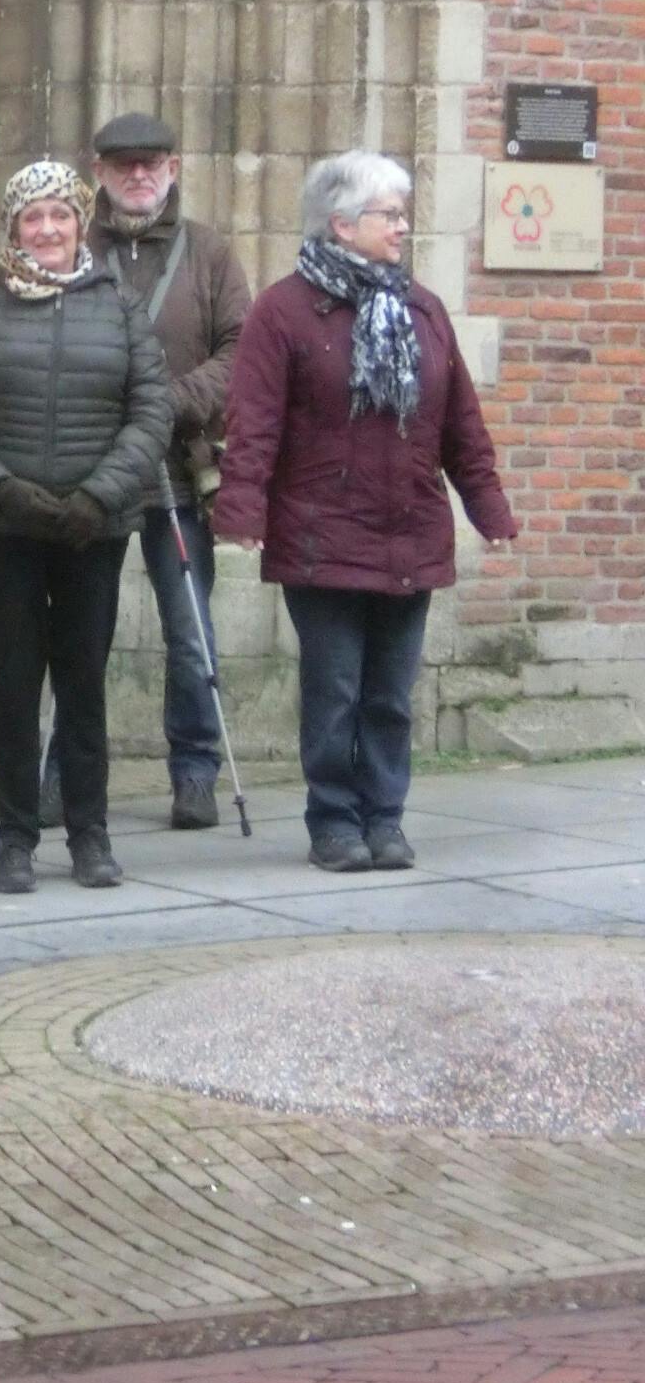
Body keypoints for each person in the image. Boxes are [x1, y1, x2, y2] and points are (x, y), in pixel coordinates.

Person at [214, 152, 517, 873]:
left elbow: (461, 425)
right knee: (335, 691)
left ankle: (386, 819)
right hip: (321, 532)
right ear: (341, 224)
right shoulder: (283, 311)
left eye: (402, 214)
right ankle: (334, 823)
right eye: (390, 214)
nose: (403, 228)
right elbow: (253, 420)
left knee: (389, 695)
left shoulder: (423, 309)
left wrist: (490, 508)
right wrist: (242, 510)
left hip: (410, 530)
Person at [0, 161, 172, 894]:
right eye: (32, 218)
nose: (47, 230)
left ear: (80, 221)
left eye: (60, 215)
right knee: (13, 682)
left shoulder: (121, 306)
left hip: (94, 528)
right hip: (4, 526)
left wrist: (99, 497)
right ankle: (14, 837)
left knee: (83, 681)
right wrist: (3, 489)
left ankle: (91, 834)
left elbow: (150, 409)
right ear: (13, 228)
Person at [39, 113, 253, 832]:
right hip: (93, 469)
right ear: (97, 172)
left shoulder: (211, 254)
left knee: (190, 629)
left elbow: (239, 349)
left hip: (179, 469)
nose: (139, 176)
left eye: (152, 163)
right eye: (123, 165)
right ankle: (65, 772)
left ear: (174, 166)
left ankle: (195, 773)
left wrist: (172, 403)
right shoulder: (69, 245)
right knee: (80, 631)